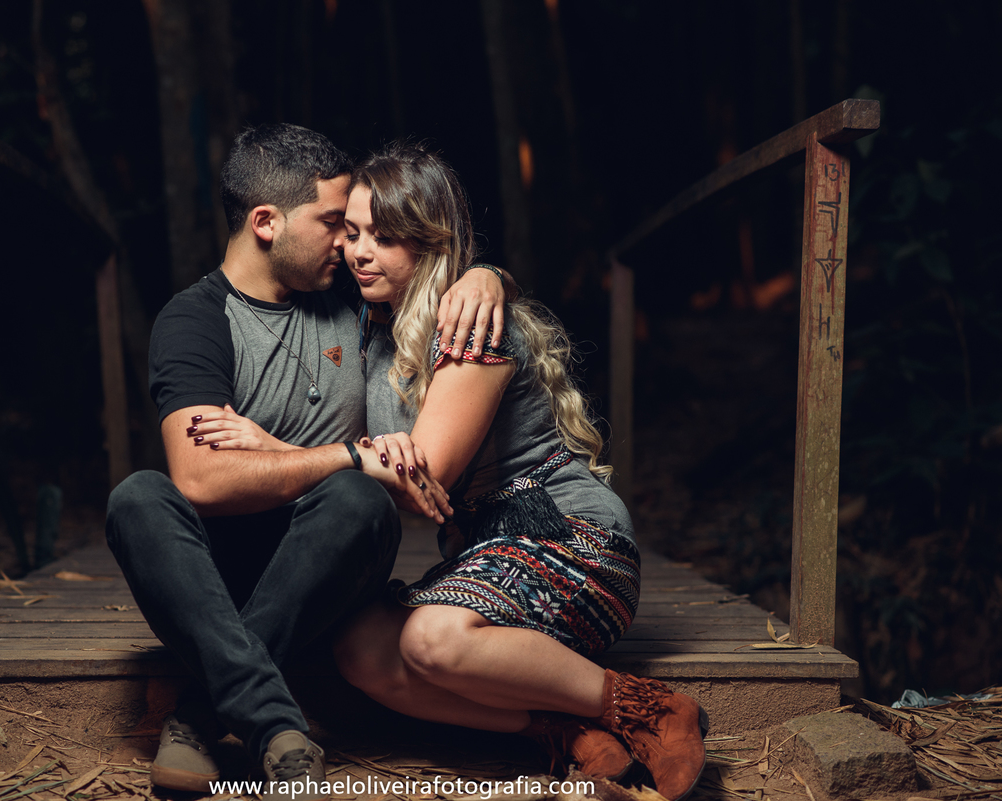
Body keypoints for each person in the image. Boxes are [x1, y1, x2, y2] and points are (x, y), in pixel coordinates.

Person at [197, 142, 709, 801]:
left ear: (431, 244)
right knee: (361, 648)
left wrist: (272, 448)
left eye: (385, 237)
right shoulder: (373, 323)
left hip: (571, 539)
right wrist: (492, 272)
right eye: (352, 232)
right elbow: (361, 453)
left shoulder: (471, 326)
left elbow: (425, 480)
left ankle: (649, 710)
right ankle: (564, 731)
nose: (359, 252)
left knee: (432, 639)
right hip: (485, 554)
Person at [105, 125, 508, 801]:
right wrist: (350, 454)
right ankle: (271, 725)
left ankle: (198, 714)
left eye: (355, 230)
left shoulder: (356, 297)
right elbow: (199, 479)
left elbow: (427, 262)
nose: (350, 243)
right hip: (221, 580)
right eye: (333, 224)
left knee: (357, 498)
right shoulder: (194, 321)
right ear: (266, 223)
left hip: (334, 561)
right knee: (138, 497)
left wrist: (488, 276)